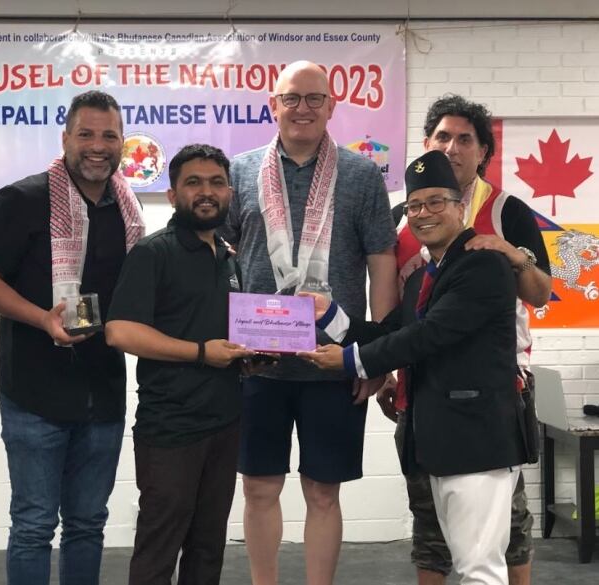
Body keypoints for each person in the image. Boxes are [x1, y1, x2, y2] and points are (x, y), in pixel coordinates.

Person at [300, 150, 528, 585]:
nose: (423, 214)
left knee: (481, 569)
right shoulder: (426, 275)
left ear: (460, 206)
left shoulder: (483, 265)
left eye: (436, 202)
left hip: (477, 440)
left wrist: (349, 360)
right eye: (414, 206)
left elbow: (428, 336)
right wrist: (329, 315)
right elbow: (392, 331)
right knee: (466, 560)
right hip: (440, 439)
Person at [219, 60, 398, 584]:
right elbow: (220, 255)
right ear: (272, 104)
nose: (303, 109)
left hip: (335, 361)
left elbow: (382, 267)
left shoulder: (362, 175)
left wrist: (379, 354)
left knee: (324, 491)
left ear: (332, 106)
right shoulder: (239, 171)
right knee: (258, 487)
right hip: (258, 363)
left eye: (314, 98)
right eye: (292, 98)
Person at [0, 90, 145, 585]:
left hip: (103, 393)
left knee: (89, 525)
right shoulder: (22, 200)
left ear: (122, 142)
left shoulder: (128, 211)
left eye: (109, 135)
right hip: (33, 392)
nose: (97, 145)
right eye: (86, 134)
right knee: (33, 525)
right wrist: (41, 318)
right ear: (65, 137)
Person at [378, 95, 551, 585]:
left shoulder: (506, 209)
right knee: (428, 519)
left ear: (482, 152)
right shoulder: (403, 214)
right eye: (442, 137)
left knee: (507, 522)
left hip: (494, 384)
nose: (452, 147)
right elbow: (391, 307)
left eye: (465, 139)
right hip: (420, 380)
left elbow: (542, 294)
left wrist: (512, 255)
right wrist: (388, 370)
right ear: (426, 145)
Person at [106, 144, 255, 585]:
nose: (206, 192)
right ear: (172, 195)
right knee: (158, 550)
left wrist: (251, 356)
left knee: (208, 550)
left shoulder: (229, 259)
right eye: (193, 183)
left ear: (229, 192)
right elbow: (120, 331)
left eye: (216, 182)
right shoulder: (154, 253)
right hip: (170, 429)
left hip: (224, 424)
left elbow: (227, 332)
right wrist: (202, 353)